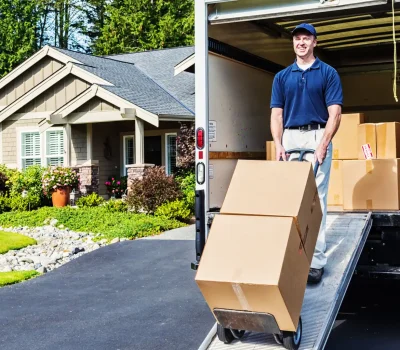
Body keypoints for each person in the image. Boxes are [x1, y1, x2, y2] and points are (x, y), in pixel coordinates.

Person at [270, 23, 343, 284]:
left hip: (317, 135)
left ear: (315, 42)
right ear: (293, 43)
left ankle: (316, 262)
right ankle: (290, 257)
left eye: (306, 38)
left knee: (316, 199)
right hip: (290, 137)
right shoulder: (282, 77)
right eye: (297, 39)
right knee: (289, 200)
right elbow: (276, 114)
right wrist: (278, 144)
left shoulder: (328, 73)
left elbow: (335, 113)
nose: (301, 42)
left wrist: (323, 144)